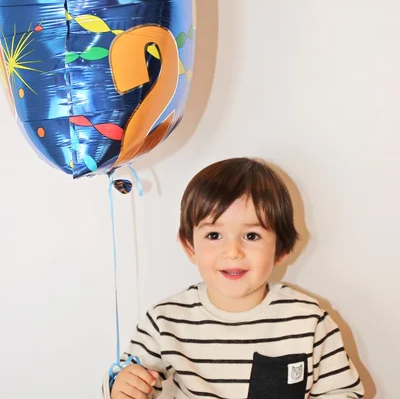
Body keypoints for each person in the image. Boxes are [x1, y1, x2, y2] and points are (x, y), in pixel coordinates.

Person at [103, 157, 364, 399]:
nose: (233, 252)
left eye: (251, 236)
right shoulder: (166, 320)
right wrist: (122, 386)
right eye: (214, 235)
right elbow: (126, 377)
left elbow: (343, 392)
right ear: (190, 247)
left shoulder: (309, 320)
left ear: (280, 250)